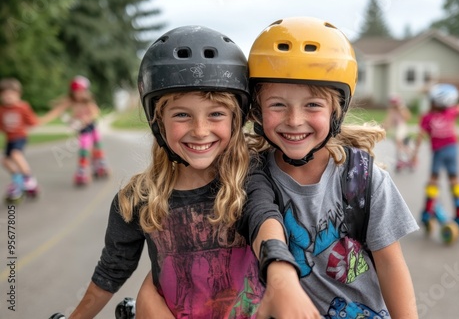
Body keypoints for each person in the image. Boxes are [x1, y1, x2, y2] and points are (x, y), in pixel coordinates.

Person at [64, 26, 318, 319]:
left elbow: (264, 218)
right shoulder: (137, 198)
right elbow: (111, 271)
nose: (200, 131)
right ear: (158, 121)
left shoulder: (249, 176)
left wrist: (281, 275)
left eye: (216, 114)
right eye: (182, 114)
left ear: (237, 120)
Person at [240, 16, 420, 318]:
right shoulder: (253, 176)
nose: (295, 120)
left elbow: (390, 265)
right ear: (257, 110)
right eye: (278, 105)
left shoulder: (363, 179)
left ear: (336, 110)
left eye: (312, 105)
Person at [411, 83, 459, 235]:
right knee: (454, 181)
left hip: (439, 153)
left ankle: (427, 213)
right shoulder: (451, 112)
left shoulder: (427, 117)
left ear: (435, 102)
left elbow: (420, 137)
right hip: (452, 150)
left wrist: (414, 154)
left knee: (433, 181)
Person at [41, 76, 109, 185]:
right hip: (82, 129)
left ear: (86, 91)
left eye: (81, 92)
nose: (78, 94)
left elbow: (95, 112)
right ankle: (82, 171)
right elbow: (57, 111)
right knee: (84, 148)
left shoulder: (88, 101)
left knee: (97, 146)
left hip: (91, 127)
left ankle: (100, 165)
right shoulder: (70, 101)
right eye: (76, 92)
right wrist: (42, 120)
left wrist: (86, 118)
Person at [0, 78, 40, 201]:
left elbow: (32, 121)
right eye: (5, 95)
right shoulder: (2, 110)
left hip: (20, 137)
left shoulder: (22, 107)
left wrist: (32, 123)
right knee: (5, 161)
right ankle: (17, 181)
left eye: (11, 94)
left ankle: (29, 180)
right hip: (9, 139)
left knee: (16, 154)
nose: (8, 97)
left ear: (18, 95)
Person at [382, 94, 414, 172]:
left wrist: (401, 109)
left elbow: (408, 117)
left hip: (402, 127)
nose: (394, 106)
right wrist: (383, 127)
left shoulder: (402, 109)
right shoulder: (392, 111)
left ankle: (408, 158)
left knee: (399, 140)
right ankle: (401, 159)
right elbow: (389, 120)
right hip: (396, 129)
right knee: (399, 145)